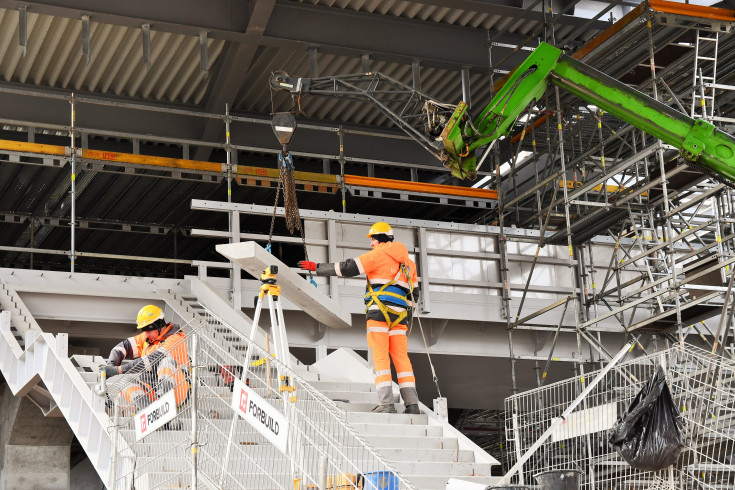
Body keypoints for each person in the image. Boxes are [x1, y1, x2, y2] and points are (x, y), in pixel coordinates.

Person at [299, 221, 421, 414]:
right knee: (402, 359)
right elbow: (415, 294)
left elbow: (348, 268)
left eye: (372, 239)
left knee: (379, 358)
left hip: (379, 314)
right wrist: (407, 318)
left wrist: (317, 267)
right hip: (400, 319)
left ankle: (387, 404)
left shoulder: (377, 255)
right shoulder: (409, 263)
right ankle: (412, 405)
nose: (371, 243)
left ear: (378, 238)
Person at [101, 305, 190, 412]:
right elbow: (122, 347)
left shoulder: (175, 339)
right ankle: (151, 413)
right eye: (144, 330)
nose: (145, 334)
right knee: (125, 382)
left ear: (159, 326)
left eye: (148, 329)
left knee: (166, 361)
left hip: (177, 390)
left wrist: (118, 370)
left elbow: (153, 360)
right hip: (153, 390)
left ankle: (164, 408)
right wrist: (111, 365)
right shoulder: (148, 338)